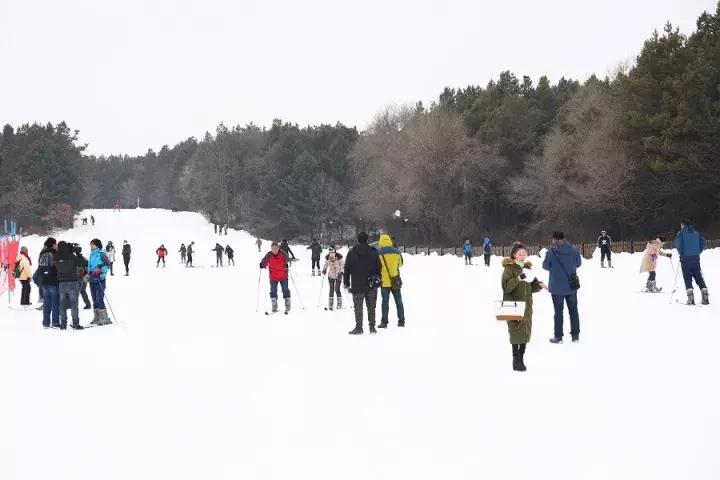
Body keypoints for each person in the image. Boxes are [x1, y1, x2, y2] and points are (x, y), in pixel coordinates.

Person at [502, 242, 546, 371]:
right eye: (519, 254)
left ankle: (521, 358)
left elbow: (532, 286)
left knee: (525, 333)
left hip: (527, 307)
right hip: (514, 305)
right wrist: (519, 278)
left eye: (524, 254)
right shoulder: (509, 269)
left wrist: (539, 285)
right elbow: (506, 287)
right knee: (515, 332)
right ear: (514, 255)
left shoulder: (528, 269)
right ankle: (516, 360)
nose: (522, 256)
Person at [542, 231, 582, 344]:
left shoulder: (551, 253)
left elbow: (545, 266)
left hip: (556, 287)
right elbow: (578, 264)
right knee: (573, 311)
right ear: (564, 238)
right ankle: (575, 336)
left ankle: (558, 337)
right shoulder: (573, 250)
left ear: (554, 239)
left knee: (558, 312)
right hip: (571, 286)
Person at [343, 232, 381, 335]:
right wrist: (377, 278)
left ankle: (359, 327)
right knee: (371, 307)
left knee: (358, 307)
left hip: (357, 284)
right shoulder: (373, 252)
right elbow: (379, 267)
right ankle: (372, 327)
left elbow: (346, 269)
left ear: (358, 239)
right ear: (367, 239)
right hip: (371, 284)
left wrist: (346, 283)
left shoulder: (351, 253)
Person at [675, 220, 710, 305]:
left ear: (683, 225)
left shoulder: (681, 233)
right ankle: (705, 294)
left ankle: (691, 298)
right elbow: (703, 241)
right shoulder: (696, 233)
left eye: (681, 225)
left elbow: (678, 244)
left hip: (686, 258)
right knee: (698, 276)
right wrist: (698, 251)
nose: (681, 226)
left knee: (687, 277)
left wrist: (681, 252)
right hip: (695, 258)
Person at [378, 234, 405, 328]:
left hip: (384, 282)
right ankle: (401, 321)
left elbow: (376, 266)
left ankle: (384, 322)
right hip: (395, 280)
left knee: (385, 302)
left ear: (380, 241)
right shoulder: (396, 252)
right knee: (399, 301)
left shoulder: (379, 253)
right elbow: (401, 264)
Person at [55, 241, 83, 330]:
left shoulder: (56, 257)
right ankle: (75, 323)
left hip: (61, 283)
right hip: (73, 282)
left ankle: (63, 324)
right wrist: (77, 253)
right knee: (74, 304)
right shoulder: (72, 256)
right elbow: (81, 263)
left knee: (62, 304)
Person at [259, 242, 291, 313]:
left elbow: (288, 260)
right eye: (272, 249)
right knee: (273, 291)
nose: (274, 250)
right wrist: (262, 264)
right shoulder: (269, 255)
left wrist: (287, 264)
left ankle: (288, 305)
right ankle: (274, 307)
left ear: (278, 248)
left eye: (275, 249)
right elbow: (264, 261)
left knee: (285, 290)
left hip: (283, 276)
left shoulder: (283, 254)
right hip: (273, 277)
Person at [86, 238, 111, 325]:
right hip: (92, 279)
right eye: (90, 244)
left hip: (100, 278)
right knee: (94, 299)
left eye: (93, 244)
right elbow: (89, 266)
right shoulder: (91, 255)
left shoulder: (101, 254)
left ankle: (104, 318)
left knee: (99, 297)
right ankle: (97, 317)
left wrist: (102, 271)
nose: (91, 246)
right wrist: (87, 274)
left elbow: (108, 264)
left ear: (97, 245)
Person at [37, 237, 60, 328]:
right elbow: (57, 267)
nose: (57, 245)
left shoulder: (42, 253)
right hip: (53, 280)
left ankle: (46, 322)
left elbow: (39, 266)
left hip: (43, 281)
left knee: (46, 302)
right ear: (53, 244)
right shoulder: (54, 253)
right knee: (55, 302)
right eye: (56, 244)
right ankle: (55, 322)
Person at [75, 245, 92, 309]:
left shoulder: (75, 259)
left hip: (79, 276)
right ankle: (88, 304)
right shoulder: (84, 258)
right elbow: (88, 267)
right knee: (82, 290)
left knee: (77, 291)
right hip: (85, 276)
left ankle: (74, 306)